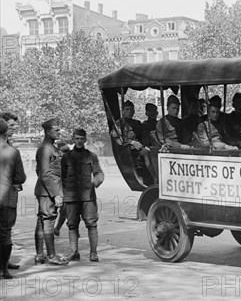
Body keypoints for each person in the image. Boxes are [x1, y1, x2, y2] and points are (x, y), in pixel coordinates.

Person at [61, 128, 104, 262]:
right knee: (72, 225)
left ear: (85, 140)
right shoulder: (66, 157)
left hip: (87, 196)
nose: (79, 141)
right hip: (71, 196)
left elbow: (98, 172)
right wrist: (61, 195)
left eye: (81, 139)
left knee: (92, 224)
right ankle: (74, 252)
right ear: (73, 139)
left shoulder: (91, 156)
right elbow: (62, 177)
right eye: (76, 139)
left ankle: (93, 253)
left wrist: (96, 181)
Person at [34, 118, 68, 265]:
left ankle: (40, 255)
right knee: (48, 220)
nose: (59, 132)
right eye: (56, 130)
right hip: (47, 191)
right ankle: (51, 256)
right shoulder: (45, 149)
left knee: (42, 221)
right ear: (48, 132)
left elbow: (40, 171)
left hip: (46, 189)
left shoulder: (51, 148)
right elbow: (45, 173)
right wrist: (55, 194)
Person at [0, 119, 27, 279]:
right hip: (8, 198)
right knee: (6, 233)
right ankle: (3, 270)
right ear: (5, 132)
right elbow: (20, 177)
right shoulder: (12, 151)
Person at [112, 100, 155, 183]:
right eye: (127, 109)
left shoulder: (137, 123)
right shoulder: (118, 124)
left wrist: (145, 145)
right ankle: (154, 178)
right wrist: (132, 142)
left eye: (131, 109)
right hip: (128, 151)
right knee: (147, 153)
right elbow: (117, 139)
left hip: (140, 148)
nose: (129, 111)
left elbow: (144, 135)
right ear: (123, 111)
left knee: (153, 151)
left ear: (134, 111)